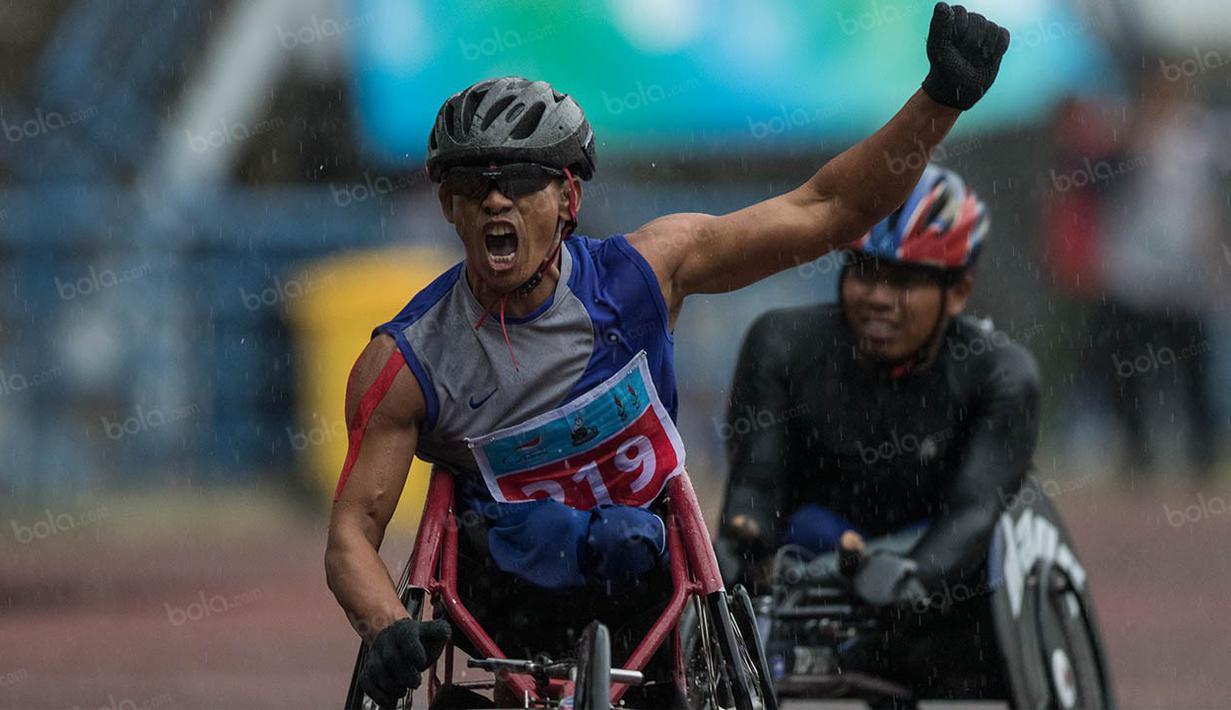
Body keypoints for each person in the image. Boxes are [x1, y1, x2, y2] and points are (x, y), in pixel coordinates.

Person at [324, 4, 1011, 707]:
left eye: (521, 180)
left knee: (629, 544)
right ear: (448, 205)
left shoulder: (645, 275)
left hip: (645, 580)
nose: (496, 199)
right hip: (503, 594)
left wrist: (938, 101)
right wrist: (385, 626)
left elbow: (826, 208)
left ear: (567, 197)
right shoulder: (405, 362)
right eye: (473, 184)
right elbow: (351, 533)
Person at [716, 163, 1038, 701]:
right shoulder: (781, 345)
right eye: (865, 271)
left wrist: (914, 575)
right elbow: (756, 489)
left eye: (905, 280)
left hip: (946, 581)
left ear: (958, 292)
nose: (879, 298)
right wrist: (734, 548)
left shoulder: (1001, 375)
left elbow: (975, 513)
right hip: (813, 561)